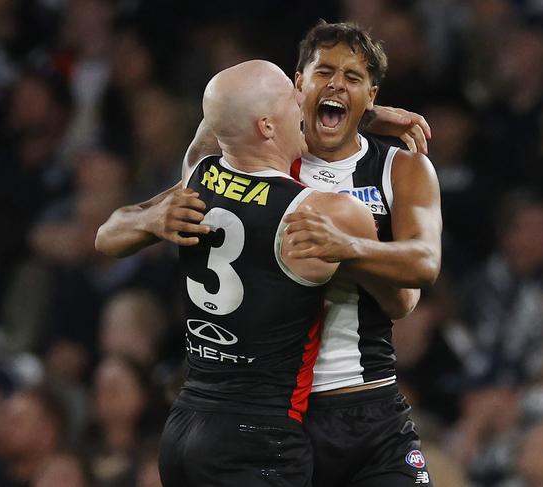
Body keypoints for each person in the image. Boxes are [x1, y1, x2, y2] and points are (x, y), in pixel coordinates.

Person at [96, 59, 383, 486]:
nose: (303, 98)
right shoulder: (321, 213)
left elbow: (106, 235)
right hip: (259, 435)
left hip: (185, 426)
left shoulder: (198, 175)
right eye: (292, 95)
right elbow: (403, 298)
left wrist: (150, 221)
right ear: (266, 126)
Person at [185, 21, 442, 486]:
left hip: (368, 401)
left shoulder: (400, 167)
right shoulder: (263, 157)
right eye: (323, 72)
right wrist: (370, 112)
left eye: (354, 78)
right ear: (296, 83)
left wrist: (349, 247)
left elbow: (423, 266)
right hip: (279, 413)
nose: (337, 84)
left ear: (372, 91)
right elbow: (216, 117)